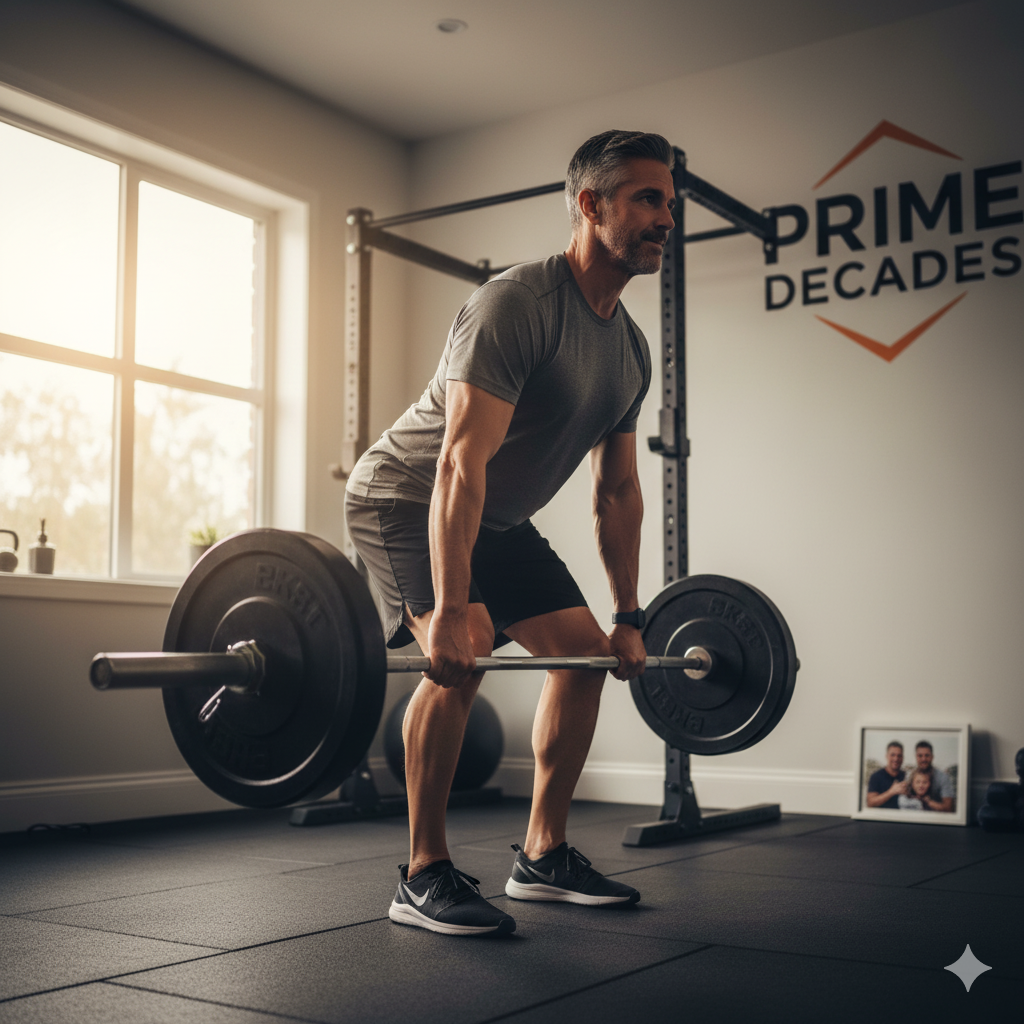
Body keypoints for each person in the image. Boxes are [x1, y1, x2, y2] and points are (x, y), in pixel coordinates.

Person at [345, 130, 676, 936]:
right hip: (405, 495)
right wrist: (453, 609)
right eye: (645, 199)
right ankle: (422, 873)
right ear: (589, 206)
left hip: (495, 515)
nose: (665, 218)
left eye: (669, 202)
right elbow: (459, 462)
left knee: (590, 656)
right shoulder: (518, 304)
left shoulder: (630, 352)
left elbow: (619, 489)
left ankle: (542, 854)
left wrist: (629, 616)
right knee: (466, 655)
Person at [913, 740, 955, 812]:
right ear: (916, 757)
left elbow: (949, 808)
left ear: (932, 757)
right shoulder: (910, 776)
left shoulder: (943, 777)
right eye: (920, 756)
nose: (923, 759)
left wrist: (928, 801)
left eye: (927, 755)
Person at [866, 741, 907, 809]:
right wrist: (891, 792)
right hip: (881, 817)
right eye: (892, 755)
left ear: (903, 758)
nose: (896, 759)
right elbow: (870, 803)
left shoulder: (906, 776)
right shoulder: (876, 776)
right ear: (886, 756)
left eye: (899, 756)